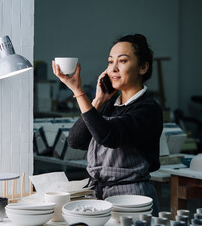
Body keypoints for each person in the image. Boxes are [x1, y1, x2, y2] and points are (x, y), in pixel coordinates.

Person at [52, 34, 163, 215]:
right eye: (110, 62)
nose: (114, 68)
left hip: (132, 199)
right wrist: (97, 101)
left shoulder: (148, 109)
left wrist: (78, 92)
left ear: (143, 67)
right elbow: (75, 141)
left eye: (123, 61)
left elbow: (108, 136)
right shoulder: (108, 105)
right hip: (100, 196)